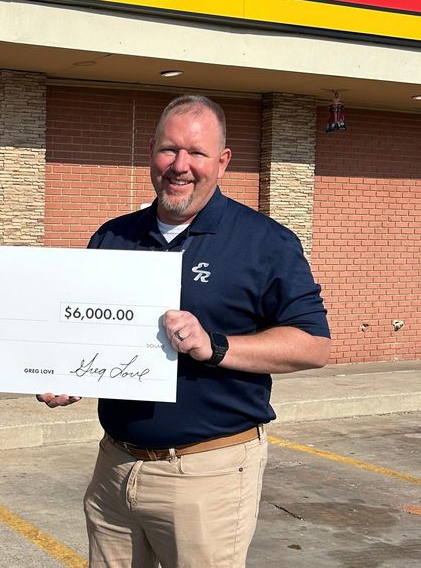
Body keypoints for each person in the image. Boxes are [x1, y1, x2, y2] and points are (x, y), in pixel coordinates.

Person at [39, 94, 330, 567]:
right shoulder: (113, 237)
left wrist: (213, 346)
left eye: (196, 153)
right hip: (115, 467)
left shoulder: (265, 242)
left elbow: (314, 346)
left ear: (222, 161)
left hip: (207, 473)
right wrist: (70, 375)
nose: (180, 166)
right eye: (168, 150)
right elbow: (89, 333)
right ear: (150, 152)